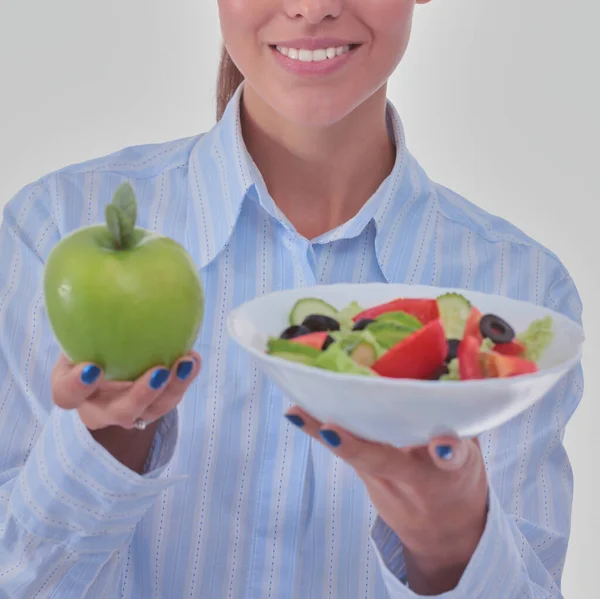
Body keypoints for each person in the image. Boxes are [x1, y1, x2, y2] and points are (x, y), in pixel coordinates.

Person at [0, 1, 584, 597]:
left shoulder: (521, 290)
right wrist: (104, 446)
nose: (313, 7)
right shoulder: (50, 232)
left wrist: (450, 547)